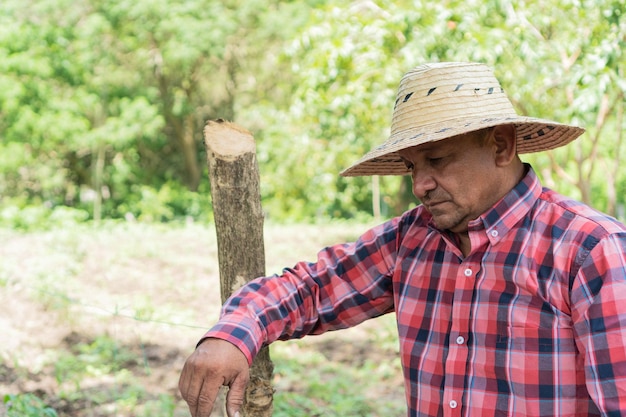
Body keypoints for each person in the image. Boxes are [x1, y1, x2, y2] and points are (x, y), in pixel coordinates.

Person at [178, 62, 626, 417]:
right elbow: (311, 288)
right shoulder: (412, 241)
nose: (420, 185)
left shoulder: (590, 251)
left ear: (502, 146)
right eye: (412, 166)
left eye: (437, 159)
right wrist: (233, 334)